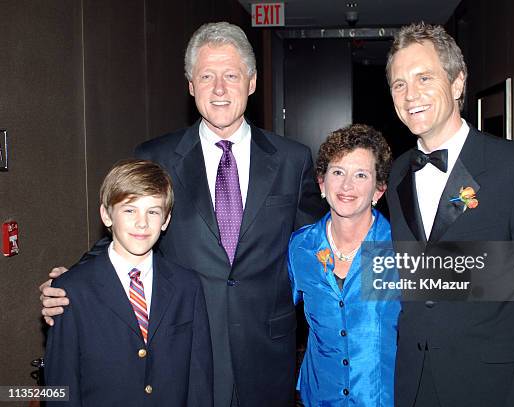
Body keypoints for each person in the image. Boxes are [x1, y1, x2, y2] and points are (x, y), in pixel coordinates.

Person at [40, 22, 323, 407]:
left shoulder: (293, 159)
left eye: (231, 75)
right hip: (184, 348)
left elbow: (315, 247)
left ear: (252, 82)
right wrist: (70, 284)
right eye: (206, 76)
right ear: (191, 86)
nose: (219, 89)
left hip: (266, 352)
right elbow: (126, 232)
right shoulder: (155, 156)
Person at [385, 22, 514, 407]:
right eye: (399, 84)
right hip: (413, 383)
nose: (410, 94)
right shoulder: (399, 170)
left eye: (424, 77)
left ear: (456, 83)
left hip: (493, 387)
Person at [44, 159, 213, 407]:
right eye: (129, 210)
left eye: (153, 211)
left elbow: (199, 378)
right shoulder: (73, 290)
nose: (142, 223)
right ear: (106, 215)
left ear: (166, 220)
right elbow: (61, 387)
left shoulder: (188, 286)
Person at [287, 124, 400, 406]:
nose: (347, 186)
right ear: (322, 183)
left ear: (379, 189)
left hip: (382, 398)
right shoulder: (300, 247)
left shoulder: (401, 250)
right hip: (318, 398)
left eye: (361, 175)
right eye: (338, 172)